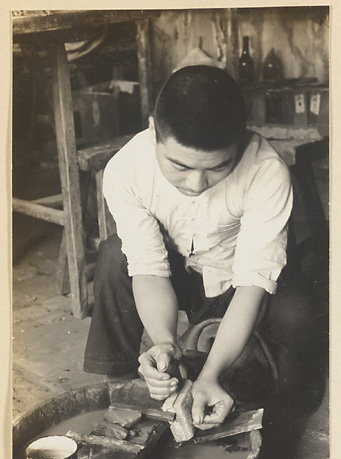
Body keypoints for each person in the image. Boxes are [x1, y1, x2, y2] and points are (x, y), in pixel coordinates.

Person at [84, 65, 324, 429]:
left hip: (238, 282)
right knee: (115, 253)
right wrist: (165, 342)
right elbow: (148, 267)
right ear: (153, 132)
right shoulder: (127, 170)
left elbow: (254, 282)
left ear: (240, 141)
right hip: (180, 275)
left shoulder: (266, 171)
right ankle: (121, 383)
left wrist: (211, 374)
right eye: (179, 166)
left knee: (294, 316)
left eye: (217, 167)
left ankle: (284, 408)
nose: (196, 183)